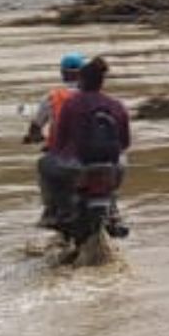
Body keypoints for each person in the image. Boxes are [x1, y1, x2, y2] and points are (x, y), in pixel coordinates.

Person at [45, 54, 134, 239]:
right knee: (115, 181)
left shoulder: (71, 104)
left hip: (76, 165)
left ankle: (56, 212)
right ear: (102, 82)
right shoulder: (116, 105)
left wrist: (55, 153)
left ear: (82, 81)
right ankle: (114, 213)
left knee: (44, 165)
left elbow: (60, 140)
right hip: (112, 164)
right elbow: (125, 143)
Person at [26, 52, 87, 223]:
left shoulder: (52, 97)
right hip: (92, 154)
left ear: (62, 73)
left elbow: (36, 126)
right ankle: (114, 213)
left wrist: (34, 136)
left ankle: (50, 209)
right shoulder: (96, 96)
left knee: (43, 166)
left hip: (61, 155)